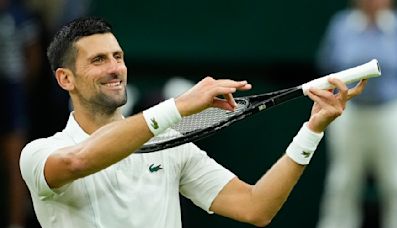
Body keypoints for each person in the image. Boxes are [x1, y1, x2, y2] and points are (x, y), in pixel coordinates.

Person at [19, 17, 366, 228]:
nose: (114, 68)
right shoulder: (41, 153)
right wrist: (179, 106)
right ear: (66, 79)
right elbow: (79, 161)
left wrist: (313, 130)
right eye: (98, 60)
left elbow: (255, 207)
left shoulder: (172, 147)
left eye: (118, 57)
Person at [315, 0, 397, 228]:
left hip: (391, 113)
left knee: (396, 182)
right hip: (348, 113)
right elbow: (328, 64)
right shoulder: (341, 25)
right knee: (343, 181)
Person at [0, 0, 41, 227]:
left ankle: (16, 223)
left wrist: (22, 88)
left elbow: (33, 54)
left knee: (15, 162)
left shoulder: (19, 14)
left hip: (12, 92)